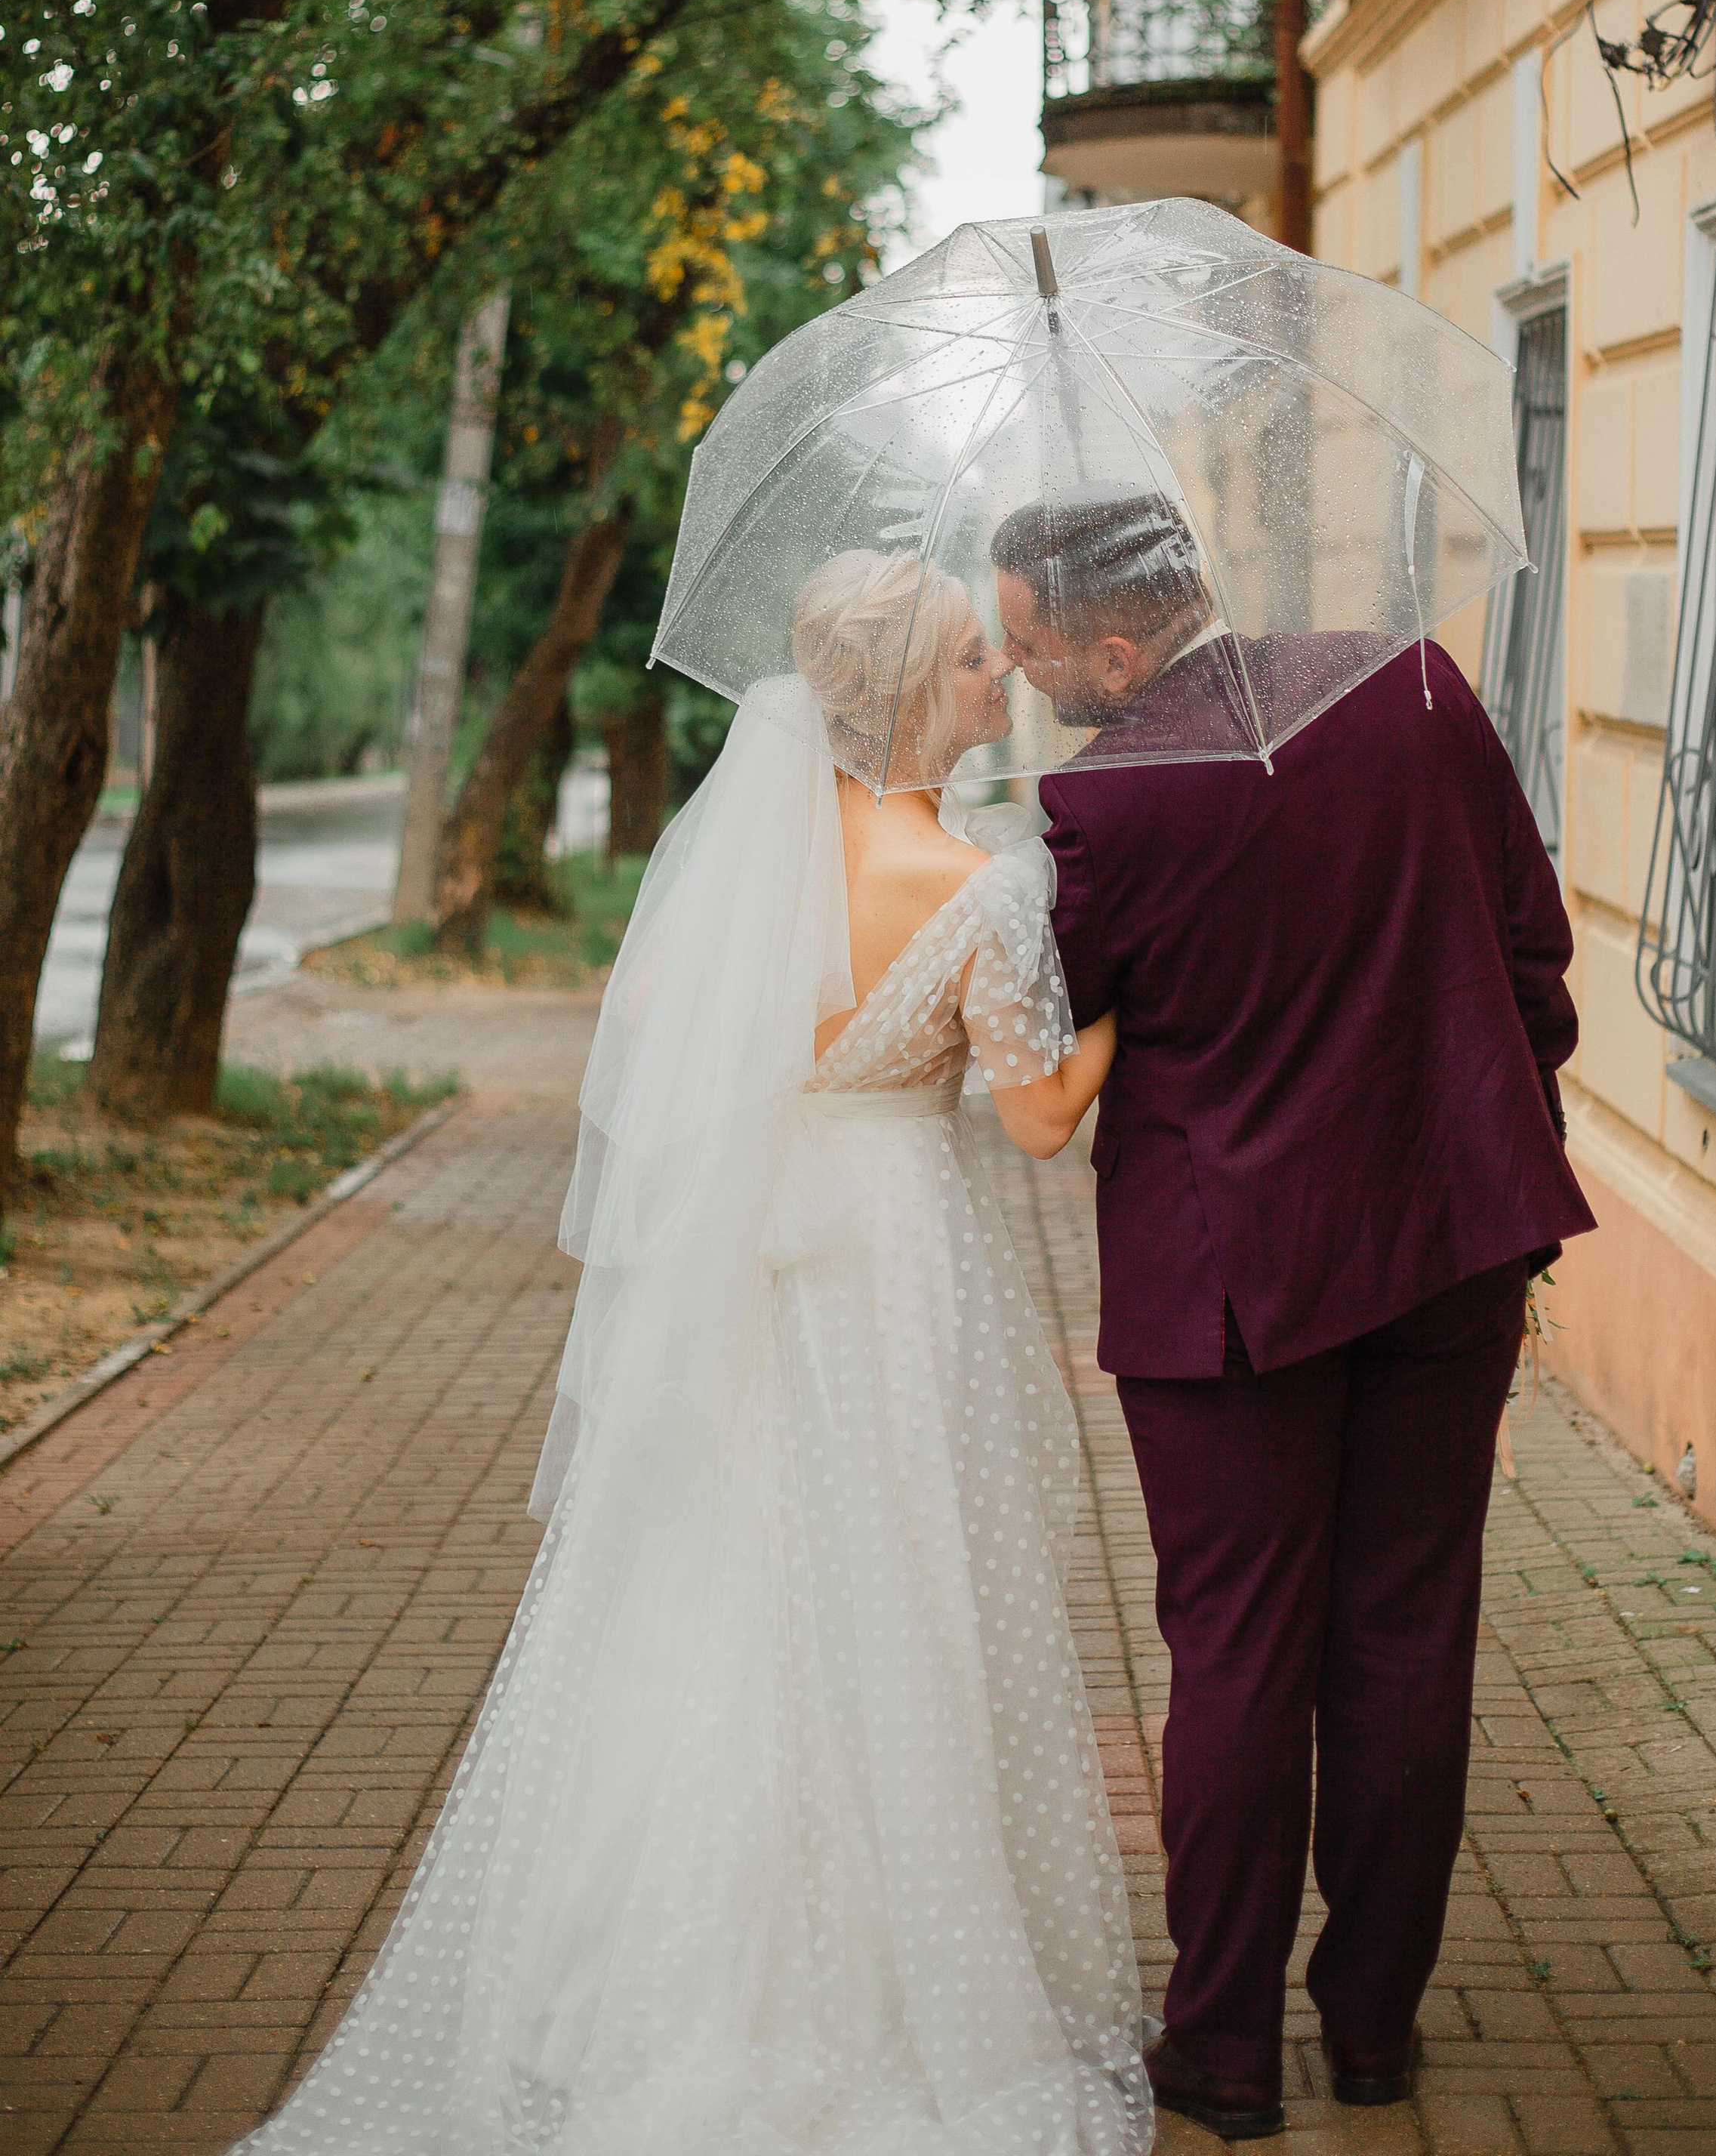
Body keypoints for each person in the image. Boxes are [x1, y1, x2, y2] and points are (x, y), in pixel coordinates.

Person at [237, 548, 1154, 2156]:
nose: (996, 677)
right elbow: (1036, 1121)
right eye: (966, 661)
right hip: (890, 1251)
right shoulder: (986, 886)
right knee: (891, 1598)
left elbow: (655, 1012)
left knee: (723, 1588)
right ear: (900, 696)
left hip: (759, 1239)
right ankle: (879, 2002)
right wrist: (1121, 1012)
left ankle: (667, 1996)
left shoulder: (761, 861)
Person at [992, 492, 1595, 2139]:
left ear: (1115, 647)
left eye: (1028, 642)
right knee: (1407, 1629)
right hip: (1451, 1242)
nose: (1014, 667)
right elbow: (1532, 953)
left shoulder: (1099, 801)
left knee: (1240, 1652)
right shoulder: (1407, 685)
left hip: (1229, 1284)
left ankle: (1222, 2050)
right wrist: (1480, 1129)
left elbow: (1061, 1023)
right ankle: (1375, 2033)